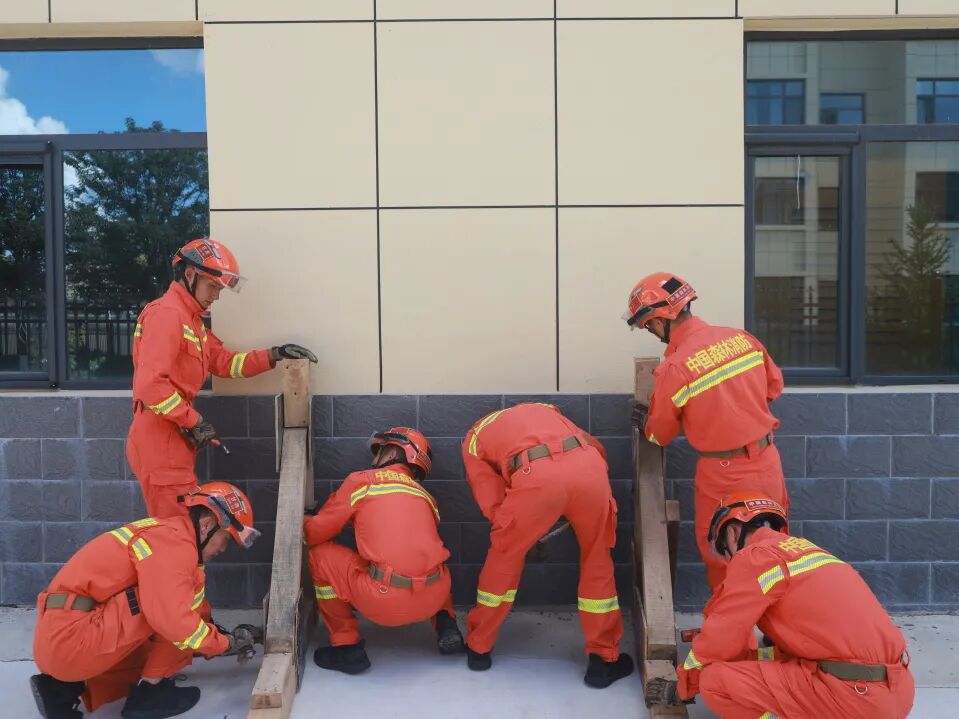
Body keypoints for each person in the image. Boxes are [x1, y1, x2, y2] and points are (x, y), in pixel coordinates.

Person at [652, 492, 915, 719]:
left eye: (725, 550)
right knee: (768, 660)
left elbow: (722, 636)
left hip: (854, 699)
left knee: (715, 682)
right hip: (897, 693)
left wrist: (683, 685)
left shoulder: (755, 557)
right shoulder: (807, 551)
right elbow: (813, 644)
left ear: (732, 533)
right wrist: (752, 657)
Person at [30, 482, 262, 719]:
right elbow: (175, 622)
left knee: (170, 611)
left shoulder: (168, 533)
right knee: (173, 613)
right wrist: (224, 643)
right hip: (73, 643)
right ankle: (150, 693)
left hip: (59, 641)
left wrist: (213, 636)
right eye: (226, 539)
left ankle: (61, 690)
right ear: (206, 525)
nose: (224, 549)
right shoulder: (176, 548)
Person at [127, 237, 317, 519]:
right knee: (178, 534)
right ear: (190, 275)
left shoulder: (191, 321)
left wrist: (274, 354)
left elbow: (227, 363)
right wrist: (194, 421)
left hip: (172, 438)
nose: (216, 296)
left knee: (185, 532)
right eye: (212, 286)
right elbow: (150, 385)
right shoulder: (167, 315)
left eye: (220, 289)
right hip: (161, 439)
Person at [624, 272, 788, 589]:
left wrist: (646, 420)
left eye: (648, 325)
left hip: (724, 475)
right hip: (768, 462)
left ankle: (734, 638)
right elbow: (773, 387)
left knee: (725, 558)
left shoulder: (676, 367)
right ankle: (777, 635)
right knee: (774, 554)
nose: (652, 331)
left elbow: (660, 435)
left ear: (660, 320)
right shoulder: (742, 339)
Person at [461, 402, 633, 688]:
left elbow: (490, 498)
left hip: (533, 475)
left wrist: (520, 536)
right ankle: (603, 660)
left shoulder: (474, 437)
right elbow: (596, 448)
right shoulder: (547, 410)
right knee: (597, 558)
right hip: (588, 467)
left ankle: (479, 648)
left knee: (503, 556)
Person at [304, 427, 464, 674]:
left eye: (379, 451)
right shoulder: (426, 497)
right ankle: (446, 622)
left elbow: (314, 534)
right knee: (428, 557)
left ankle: (346, 646)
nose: (374, 458)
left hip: (384, 601)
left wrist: (305, 519)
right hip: (433, 597)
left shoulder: (362, 481)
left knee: (319, 556)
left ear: (392, 453)